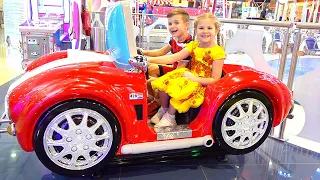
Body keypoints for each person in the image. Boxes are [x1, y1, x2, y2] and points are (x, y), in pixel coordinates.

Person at [147, 13, 226, 127]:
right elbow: (172, 57)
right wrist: (148, 60)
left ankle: (170, 117)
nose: (205, 31)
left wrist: (195, 79)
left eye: (209, 28)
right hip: (190, 76)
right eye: (201, 28)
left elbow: (215, 78)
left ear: (216, 30)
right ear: (196, 30)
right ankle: (163, 110)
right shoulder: (193, 46)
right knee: (164, 82)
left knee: (180, 88)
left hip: (202, 83)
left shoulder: (218, 52)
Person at [139, 8, 193, 116]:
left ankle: (159, 104)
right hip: (175, 69)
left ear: (186, 25)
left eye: (176, 23)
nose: (172, 26)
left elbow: (179, 69)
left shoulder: (188, 44)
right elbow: (161, 52)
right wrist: (143, 52)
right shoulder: (174, 39)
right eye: (170, 23)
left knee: (151, 82)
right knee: (152, 68)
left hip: (182, 74)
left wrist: (157, 78)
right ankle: (153, 99)